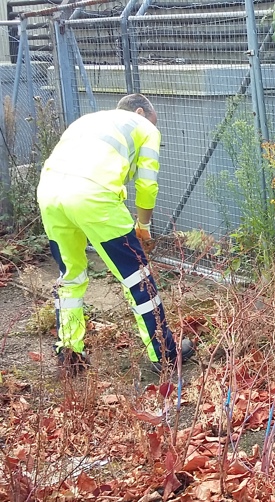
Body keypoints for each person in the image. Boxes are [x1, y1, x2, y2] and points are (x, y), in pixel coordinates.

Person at [37, 93, 194, 374]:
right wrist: (143, 226)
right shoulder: (144, 126)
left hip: (49, 192)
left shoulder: (88, 120)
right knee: (138, 279)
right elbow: (147, 184)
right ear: (141, 112)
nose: (154, 127)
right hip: (93, 197)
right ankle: (165, 354)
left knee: (70, 277)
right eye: (154, 120)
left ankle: (69, 355)